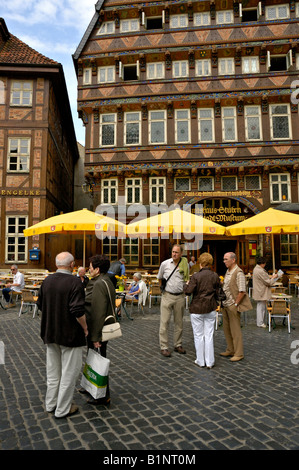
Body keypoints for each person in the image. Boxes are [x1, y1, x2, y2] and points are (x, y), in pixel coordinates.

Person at [37, 252, 88, 419]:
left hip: (50, 332)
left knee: (53, 372)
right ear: (72, 264)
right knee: (69, 373)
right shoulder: (75, 282)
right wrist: (85, 328)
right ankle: (62, 409)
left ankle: (51, 404)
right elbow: (77, 310)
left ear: (56, 264)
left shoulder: (47, 281)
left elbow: (41, 305)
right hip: (70, 334)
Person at [81, 254, 115, 406]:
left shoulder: (100, 284)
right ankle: (90, 387)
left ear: (97, 269)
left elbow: (98, 312)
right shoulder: (104, 280)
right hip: (99, 329)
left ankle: (103, 395)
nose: (88, 269)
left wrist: (95, 336)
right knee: (92, 357)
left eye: (90, 267)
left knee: (99, 359)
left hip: (98, 330)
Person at [184, 252, 220, 369]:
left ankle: (200, 360)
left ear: (200, 263)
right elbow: (219, 292)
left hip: (197, 308)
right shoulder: (215, 276)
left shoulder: (196, 276)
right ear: (210, 263)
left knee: (198, 335)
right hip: (210, 307)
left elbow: (188, 291)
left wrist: (186, 285)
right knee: (209, 335)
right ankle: (210, 361)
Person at [157, 244, 189, 357]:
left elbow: (186, 279)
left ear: (181, 253)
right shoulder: (165, 264)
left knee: (179, 322)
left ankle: (178, 344)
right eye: (173, 252)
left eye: (176, 252)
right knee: (164, 322)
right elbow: (160, 278)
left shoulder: (185, 264)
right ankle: (164, 347)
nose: (174, 254)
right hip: (167, 296)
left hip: (180, 296)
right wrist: (163, 291)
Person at [221, 252, 252, 362]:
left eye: (226, 259)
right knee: (227, 329)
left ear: (233, 260)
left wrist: (235, 304)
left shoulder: (238, 272)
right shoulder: (228, 271)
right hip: (225, 304)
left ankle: (239, 353)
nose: (224, 261)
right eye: (224, 259)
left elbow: (242, 291)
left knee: (235, 330)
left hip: (232, 305)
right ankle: (230, 349)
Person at [252, 257, 278, 328]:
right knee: (261, 308)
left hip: (260, 290)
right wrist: (274, 277)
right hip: (261, 291)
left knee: (261, 307)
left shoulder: (256, 269)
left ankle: (260, 322)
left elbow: (264, 279)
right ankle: (260, 323)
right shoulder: (260, 271)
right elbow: (268, 282)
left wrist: (270, 277)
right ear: (262, 264)